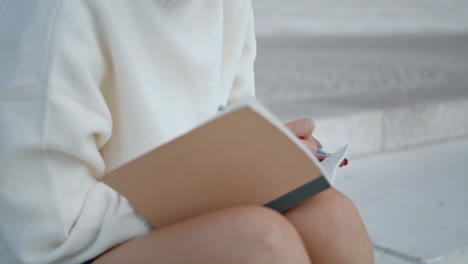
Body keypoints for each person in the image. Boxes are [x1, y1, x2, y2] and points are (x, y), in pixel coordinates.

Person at [0, 0, 374, 263]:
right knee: (258, 243)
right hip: (64, 247)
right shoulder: (56, 12)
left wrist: (273, 158)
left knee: (331, 217)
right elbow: (48, 231)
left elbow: (227, 121)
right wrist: (222, 182)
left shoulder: (228, 6)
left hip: (168, 215)